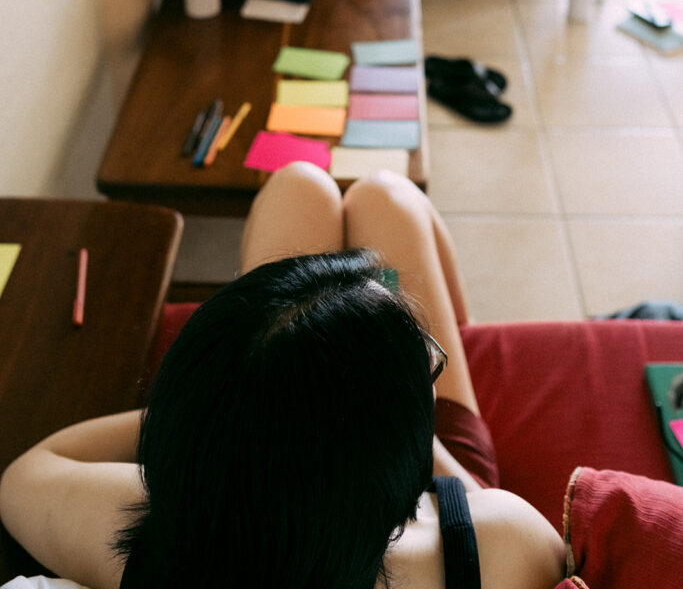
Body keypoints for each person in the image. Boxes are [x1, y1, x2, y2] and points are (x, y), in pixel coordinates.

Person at [0, 164, 565, 589]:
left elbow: (24, 478)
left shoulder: (159, 543)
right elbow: (476, 503)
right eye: (424, 360)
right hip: (433, 473)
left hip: (314, 459)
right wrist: (428, 449)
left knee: (299, 183)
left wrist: (217, 412)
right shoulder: (497, 546)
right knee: (388, 196)